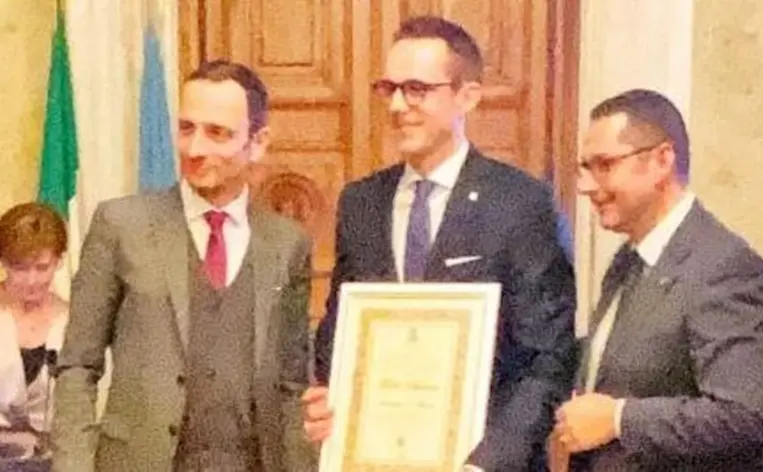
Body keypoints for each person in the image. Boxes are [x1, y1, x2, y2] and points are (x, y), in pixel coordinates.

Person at [303, 16, 578, 472]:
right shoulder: (361, 203)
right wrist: (331, 402)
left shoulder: (520, 203)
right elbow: (339, 335)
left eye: (416, 89)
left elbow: (548, 359)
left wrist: (484, 464)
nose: (397, 105)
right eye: (389, 88)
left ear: (467, 96)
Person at [51, 60, 317, 472]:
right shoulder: (121, 226)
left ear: (258, 141)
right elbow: (77, 366)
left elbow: (291, 385)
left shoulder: (287, 244)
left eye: (217, 133)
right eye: (187, 128)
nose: (195, 149)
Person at [555, 89, 763, 471]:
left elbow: (746, 414)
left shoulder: (725, 268)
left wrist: (618, 420)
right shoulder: (628, 260)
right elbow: (628, 362)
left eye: (604, 165)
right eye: (585, 167)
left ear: (662, 160)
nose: (586, 186)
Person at [0, 202, 68, 453]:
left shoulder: (72, 322)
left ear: (59, 261)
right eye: (20, 268)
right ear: (3, 262)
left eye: (42, 268)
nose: (31, 280)